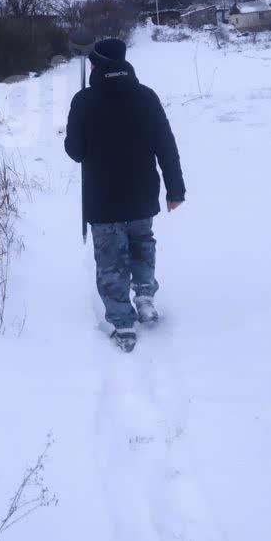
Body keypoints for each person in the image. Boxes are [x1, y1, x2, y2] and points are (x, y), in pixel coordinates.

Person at [64, 37, 185, 351]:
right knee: (142, 244)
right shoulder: (146, 96)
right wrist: (175, 188)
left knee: (111, 259)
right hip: (142, 192)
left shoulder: (84, 101)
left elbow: (75, 151)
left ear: (96, 65)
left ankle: (123, 324)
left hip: (103, 198)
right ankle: (144, 296)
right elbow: (165, 144)